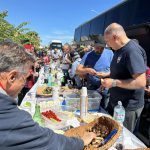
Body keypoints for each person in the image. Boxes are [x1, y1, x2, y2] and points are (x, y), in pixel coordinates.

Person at [0, 40, 96, 150]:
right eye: (26, 78)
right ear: (12, 77)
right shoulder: (12, 118)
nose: (24, 84)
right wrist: (80, 141)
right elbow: (48, 141)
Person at [101, 23, 147, 132]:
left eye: (107, 41)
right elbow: (120, 72)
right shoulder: (118, 50)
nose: (107, 45)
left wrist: (114, 83)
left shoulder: (132, 50)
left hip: (128, 107)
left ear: (115, 37)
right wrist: (107, 78)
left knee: (123, 137)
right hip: (116, 103)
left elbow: (141, 82)